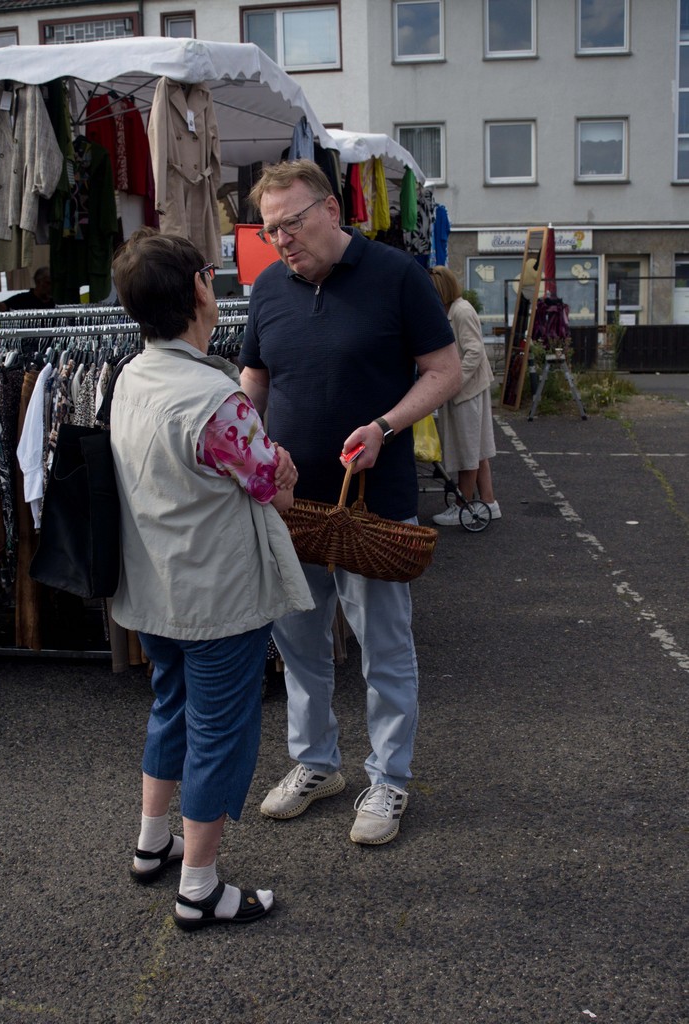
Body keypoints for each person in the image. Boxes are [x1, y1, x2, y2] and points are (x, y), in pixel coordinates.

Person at [239, 159, 461, 845]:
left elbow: (445, 370)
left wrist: (387, 427)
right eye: (270, 229)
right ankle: (316, 764)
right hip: (290, 506)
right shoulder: (269, 287)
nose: (281, 240)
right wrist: (249, 447)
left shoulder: (398, 277)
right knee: (299, 645)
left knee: (383, 646)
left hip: (374, 502)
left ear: (332, 210)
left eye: (292, 223)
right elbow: (255, 380)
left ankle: (389, 778)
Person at [108, 227, 313, 930]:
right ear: (199, 290)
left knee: (170, 707)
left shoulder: (130, 376)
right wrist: (278, 463)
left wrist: (264, 465)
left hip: (153, 585)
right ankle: (199, 887)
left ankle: (151, 842)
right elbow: (274, 492)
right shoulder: (216, 398)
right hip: (217, 595)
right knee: (219, 732)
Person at [428, 266, 501, 526]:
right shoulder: (456, 310)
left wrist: (454, 380)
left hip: (466, 391)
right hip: (469, 389)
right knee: (478, 449)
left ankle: (464, 505)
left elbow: (474, 351)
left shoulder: (460, 311)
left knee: (467, 450)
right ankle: (488, 502)